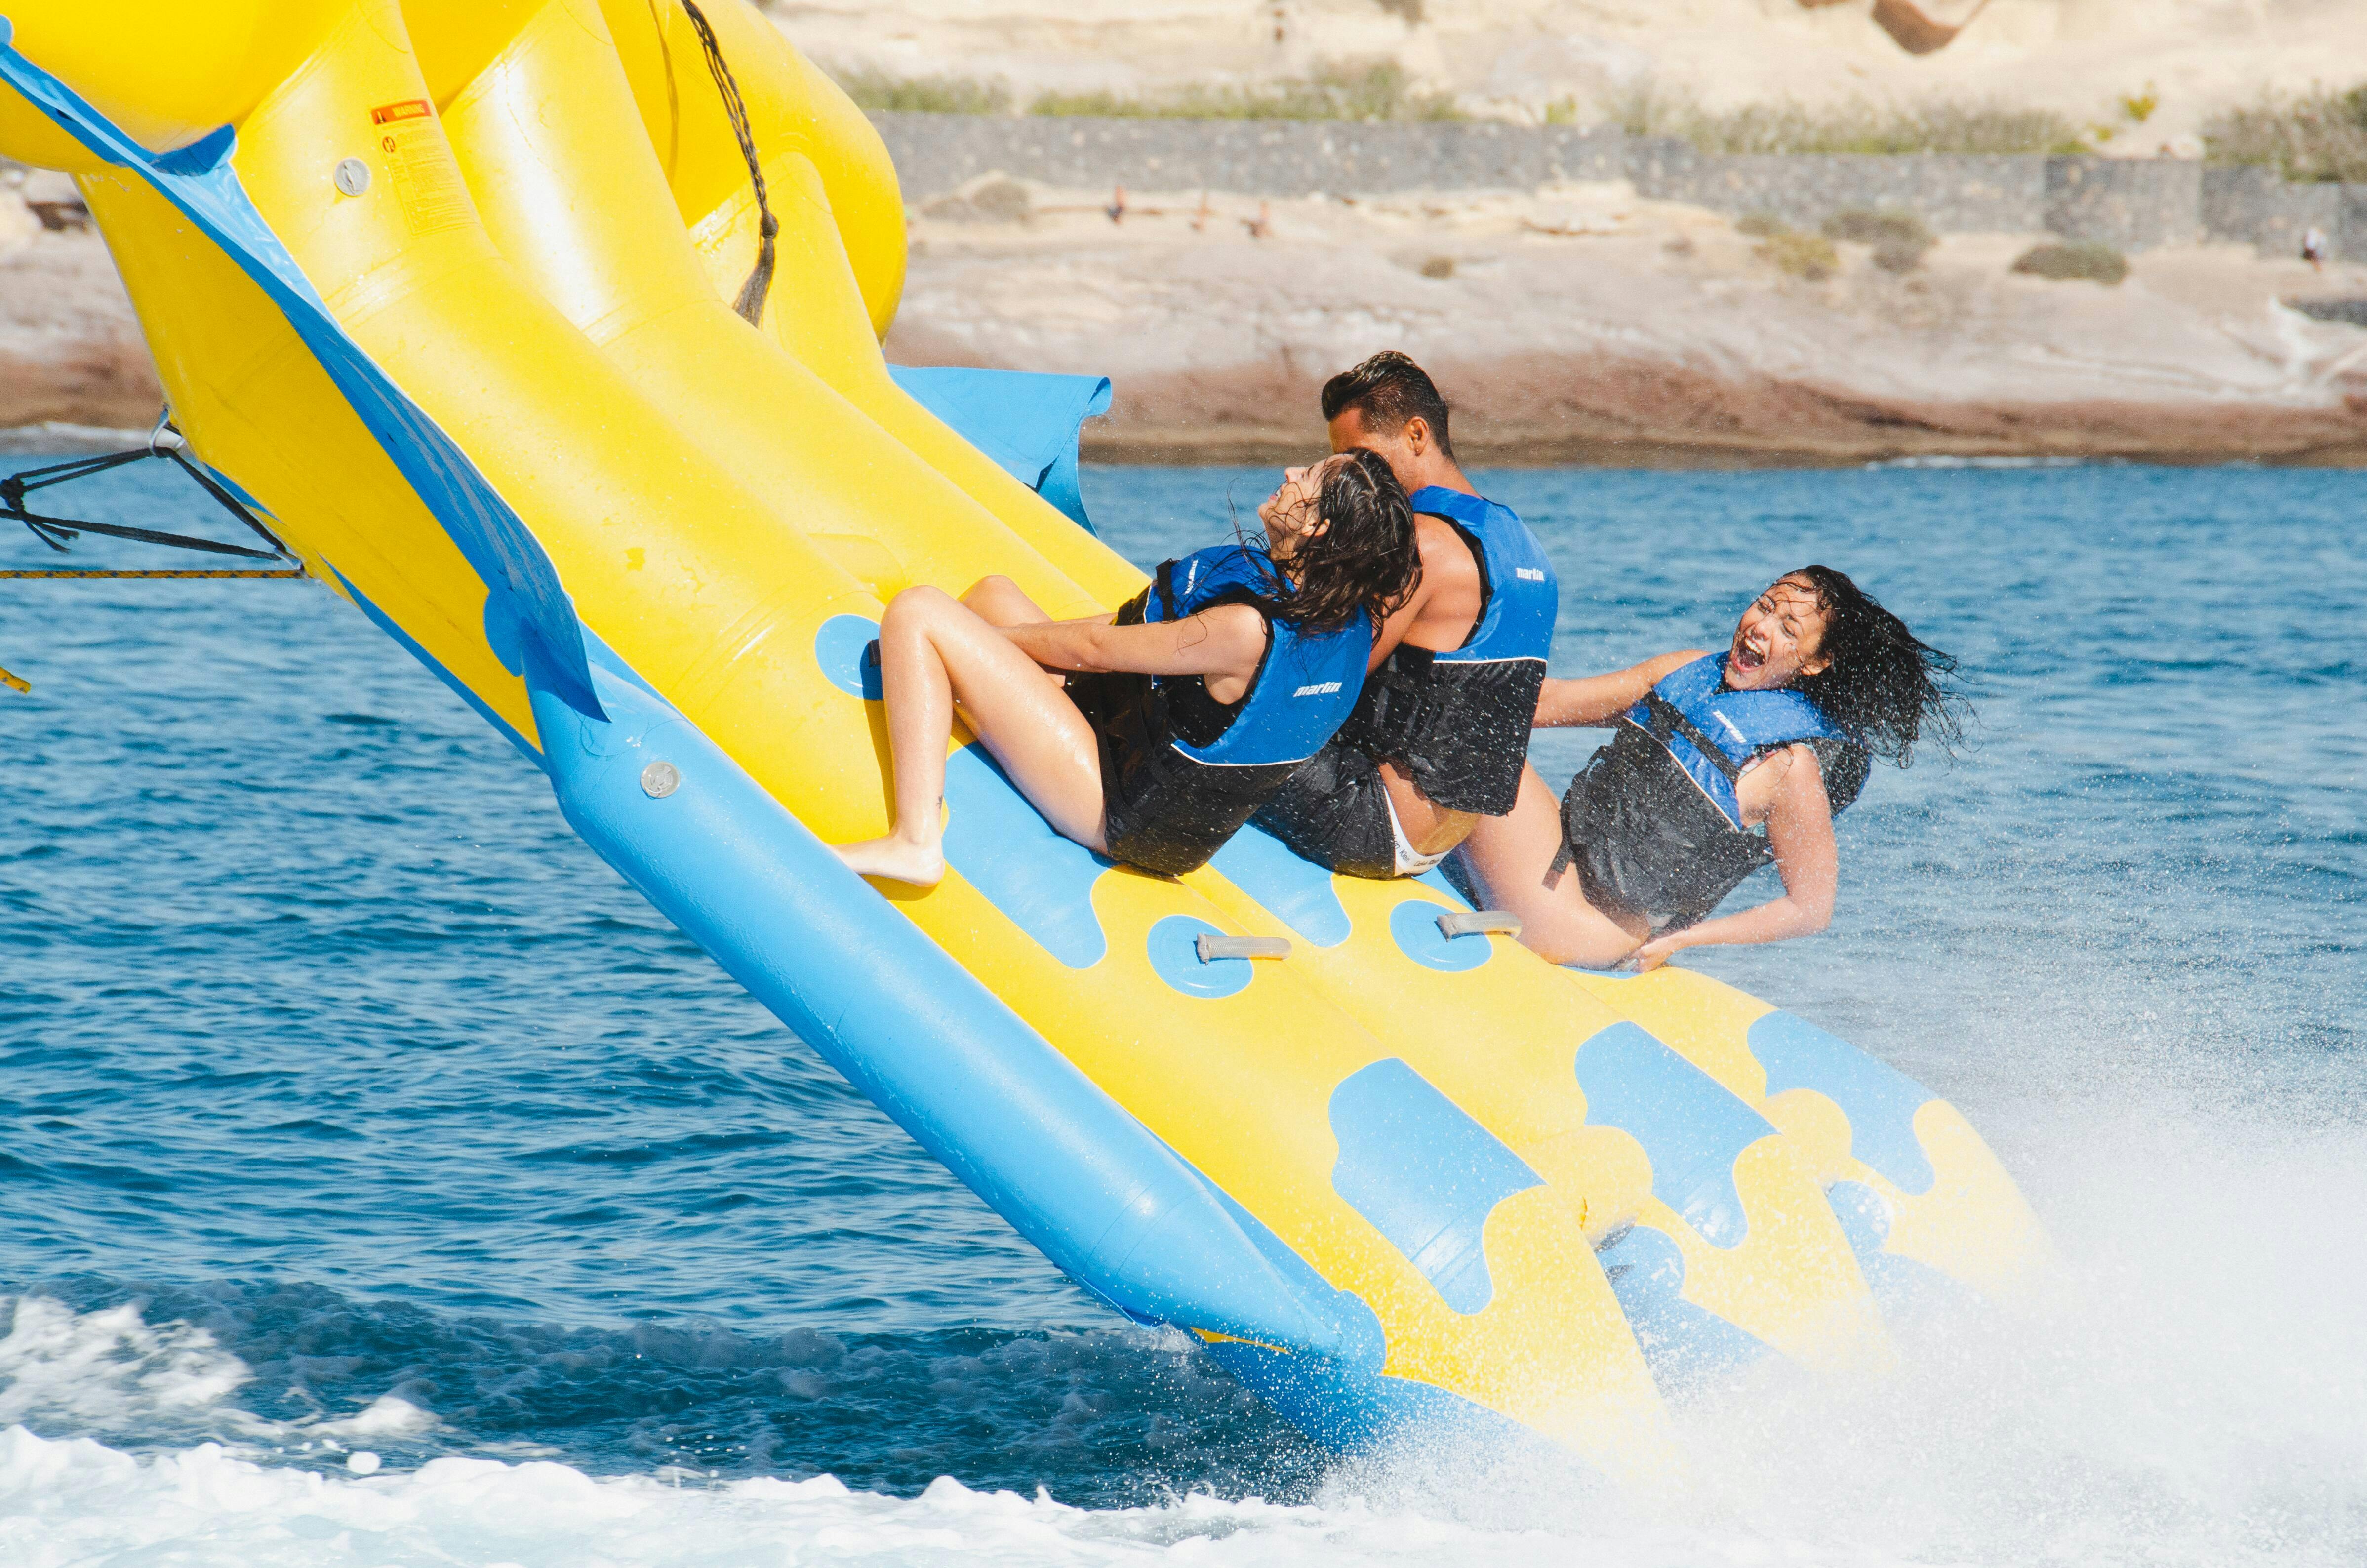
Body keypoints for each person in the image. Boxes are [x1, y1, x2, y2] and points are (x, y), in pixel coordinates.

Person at [832, 451, 1421, 885]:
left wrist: (968, 643)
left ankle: (914, 842)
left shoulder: (1246, 630)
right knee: (994, 592)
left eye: (1308, 479)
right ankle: (934, 690)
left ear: (1317, 529)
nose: (1291, 472)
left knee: (919, 613)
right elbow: (1126, 634)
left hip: (1122, 813)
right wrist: (988, 641)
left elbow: (1098, 647)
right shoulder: (1343, 622)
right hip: (1165, 806)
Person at [1451, 568, 1963, 971]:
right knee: (1465, 721)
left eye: (1788, 629)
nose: (1760, 626)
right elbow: (1551, 702)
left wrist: (1686, 939)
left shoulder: (1789, 767)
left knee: (1463, 745)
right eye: (1763, 606)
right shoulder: (1687, 671)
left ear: (1813, 663)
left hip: (1583, 924)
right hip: (1557, 863)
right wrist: (1441, 676)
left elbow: (1809, 908)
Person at [1251, 351, 1558, 878]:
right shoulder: (1523, 545)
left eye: (1360, 456)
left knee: (1205, 693)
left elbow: (1311, 677)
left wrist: (1283, 552)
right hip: (1438, 837)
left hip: (1370, 816)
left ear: (1416, 434)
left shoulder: (1421, 543)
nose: (1350, 475)